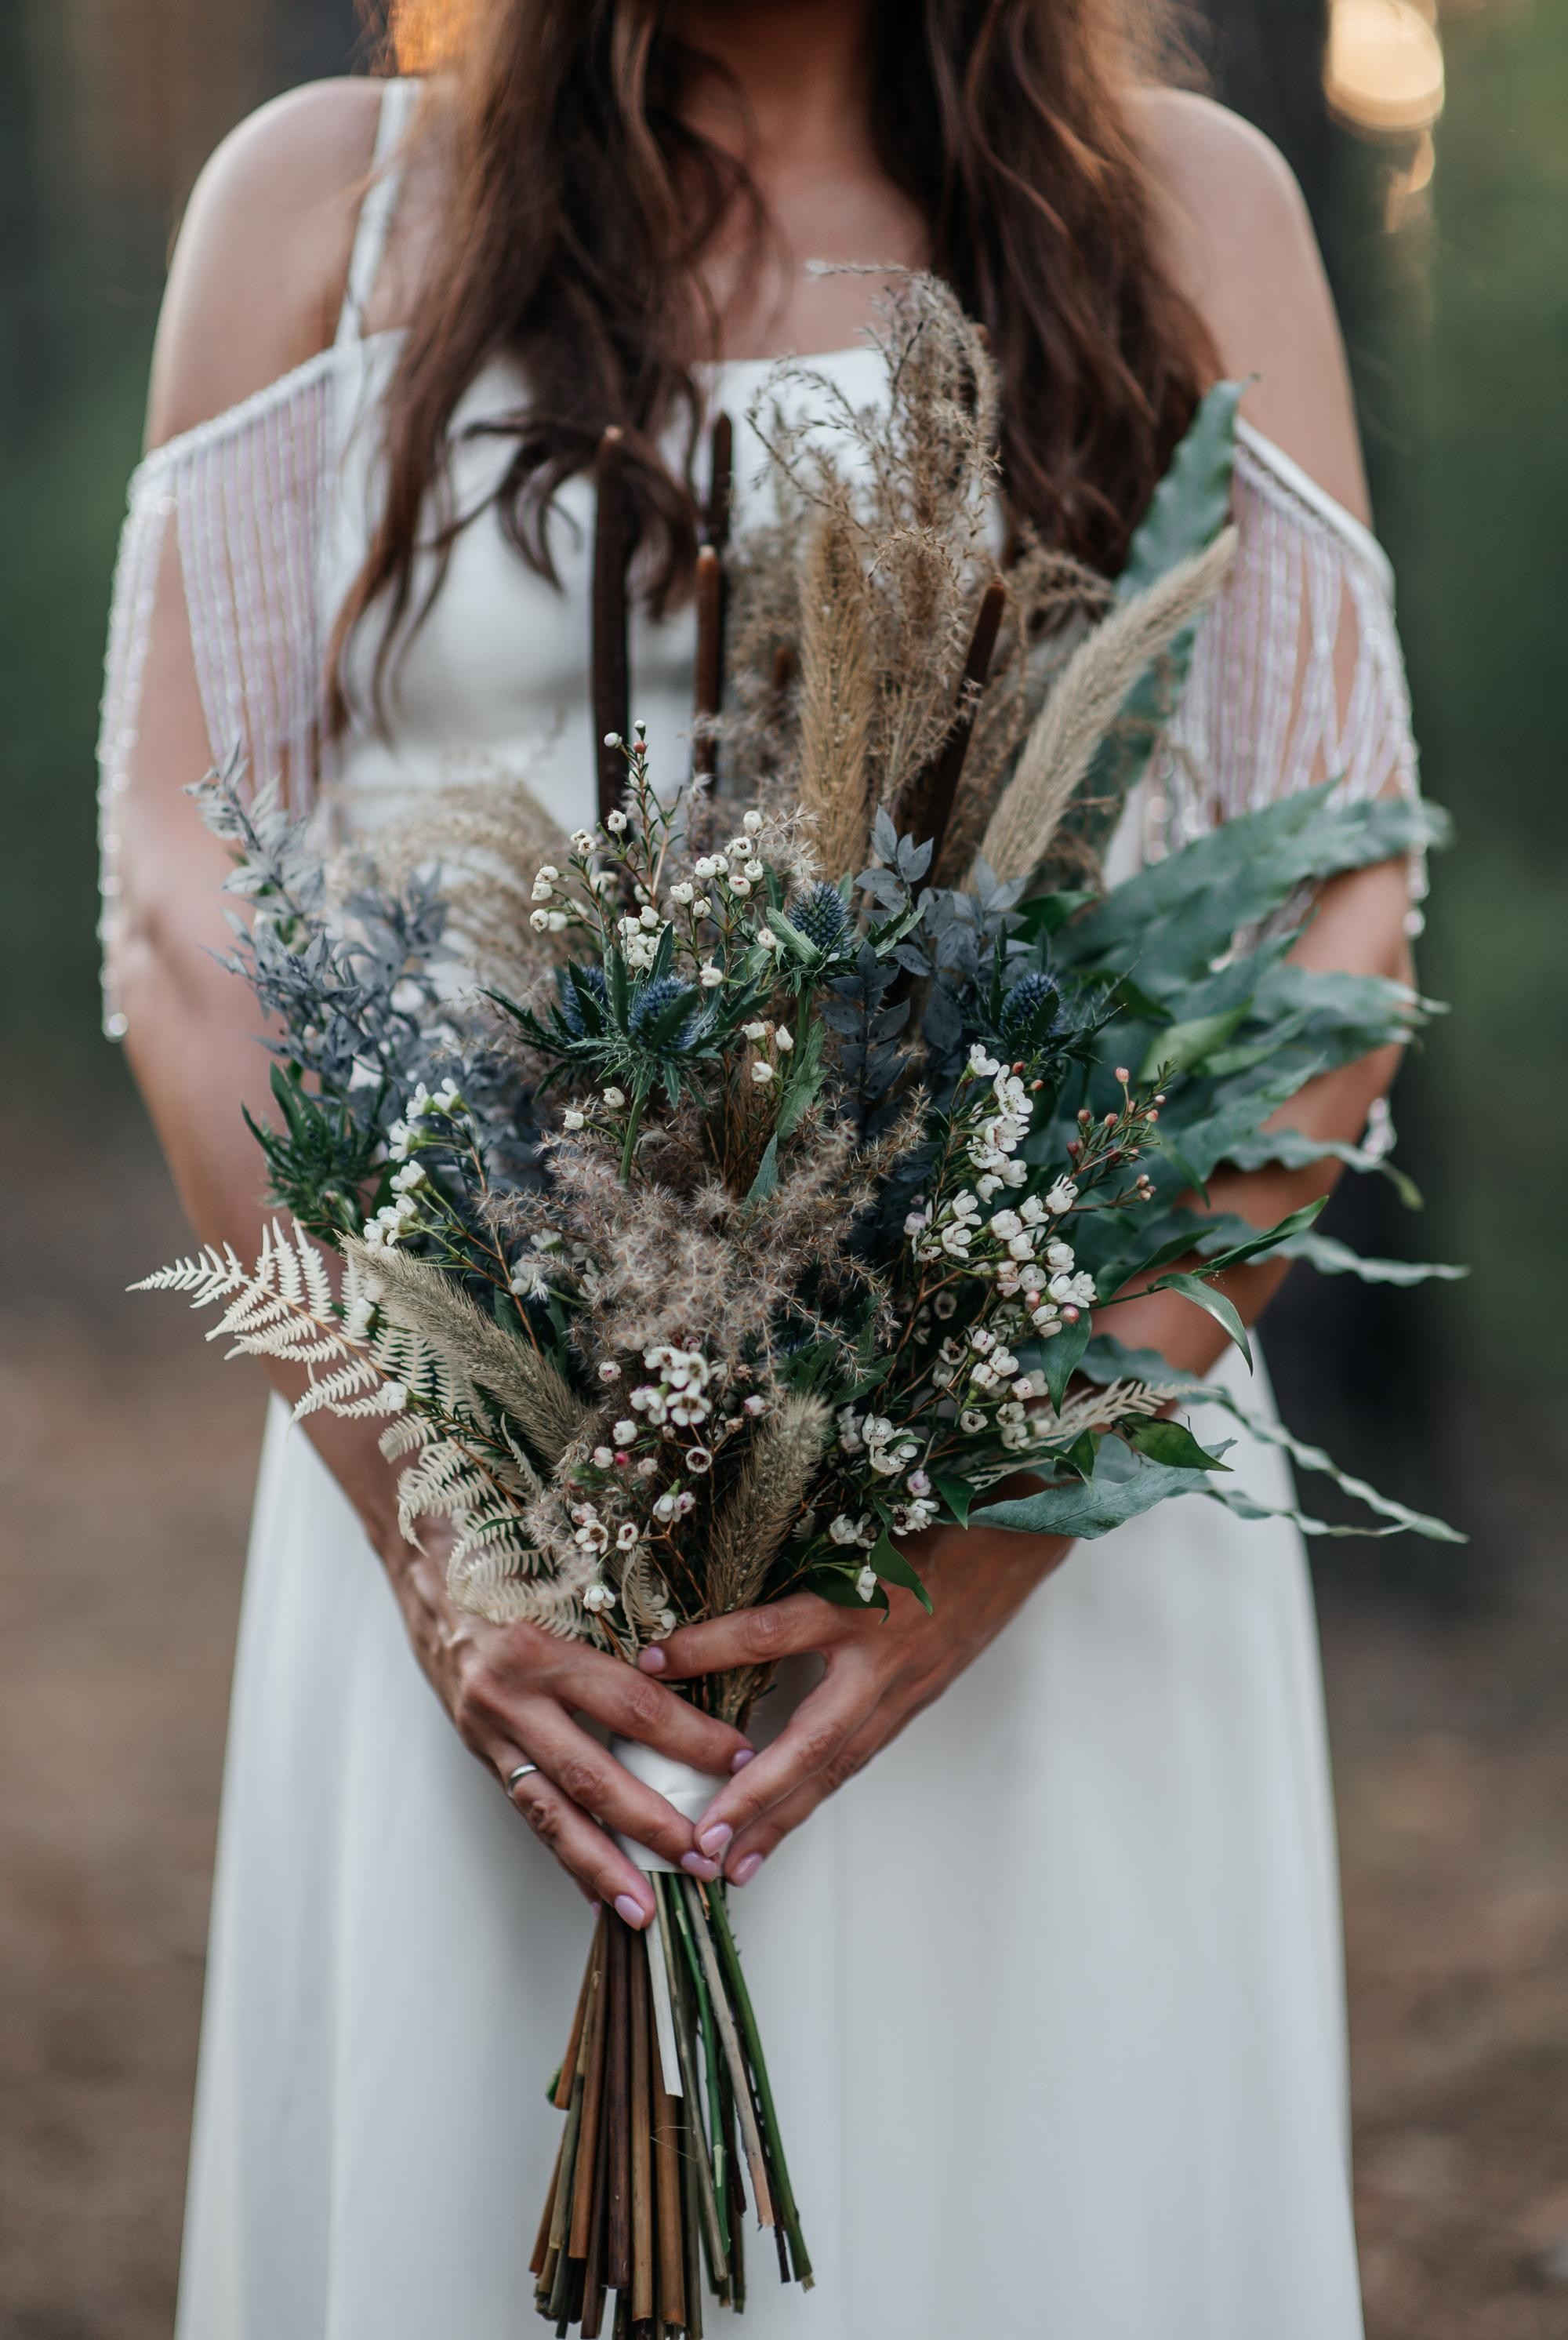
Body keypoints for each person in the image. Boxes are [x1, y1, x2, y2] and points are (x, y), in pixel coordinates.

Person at [99, 4, 1422, 2332]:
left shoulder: (1183, 212)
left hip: (1040, 1559)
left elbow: (1341, 889)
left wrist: (1014, 1503)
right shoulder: (326, 209)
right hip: (493, 1537)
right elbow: (190, 902)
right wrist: (449, 1524)